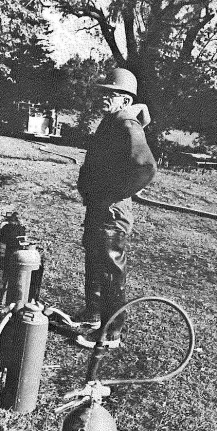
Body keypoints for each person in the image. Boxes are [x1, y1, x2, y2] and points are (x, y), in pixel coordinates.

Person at [72, 67, 157, 348]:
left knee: (109, 270)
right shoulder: (111, 121)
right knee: (95, 261)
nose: (104, 98)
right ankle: (94, 315)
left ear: (126, 100)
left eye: (112, 94)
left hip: (111, 211)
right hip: (98, 207)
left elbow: (144, 167)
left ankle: (110, 333)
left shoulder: (126, 125)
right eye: (103, 93)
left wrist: (115, 192)